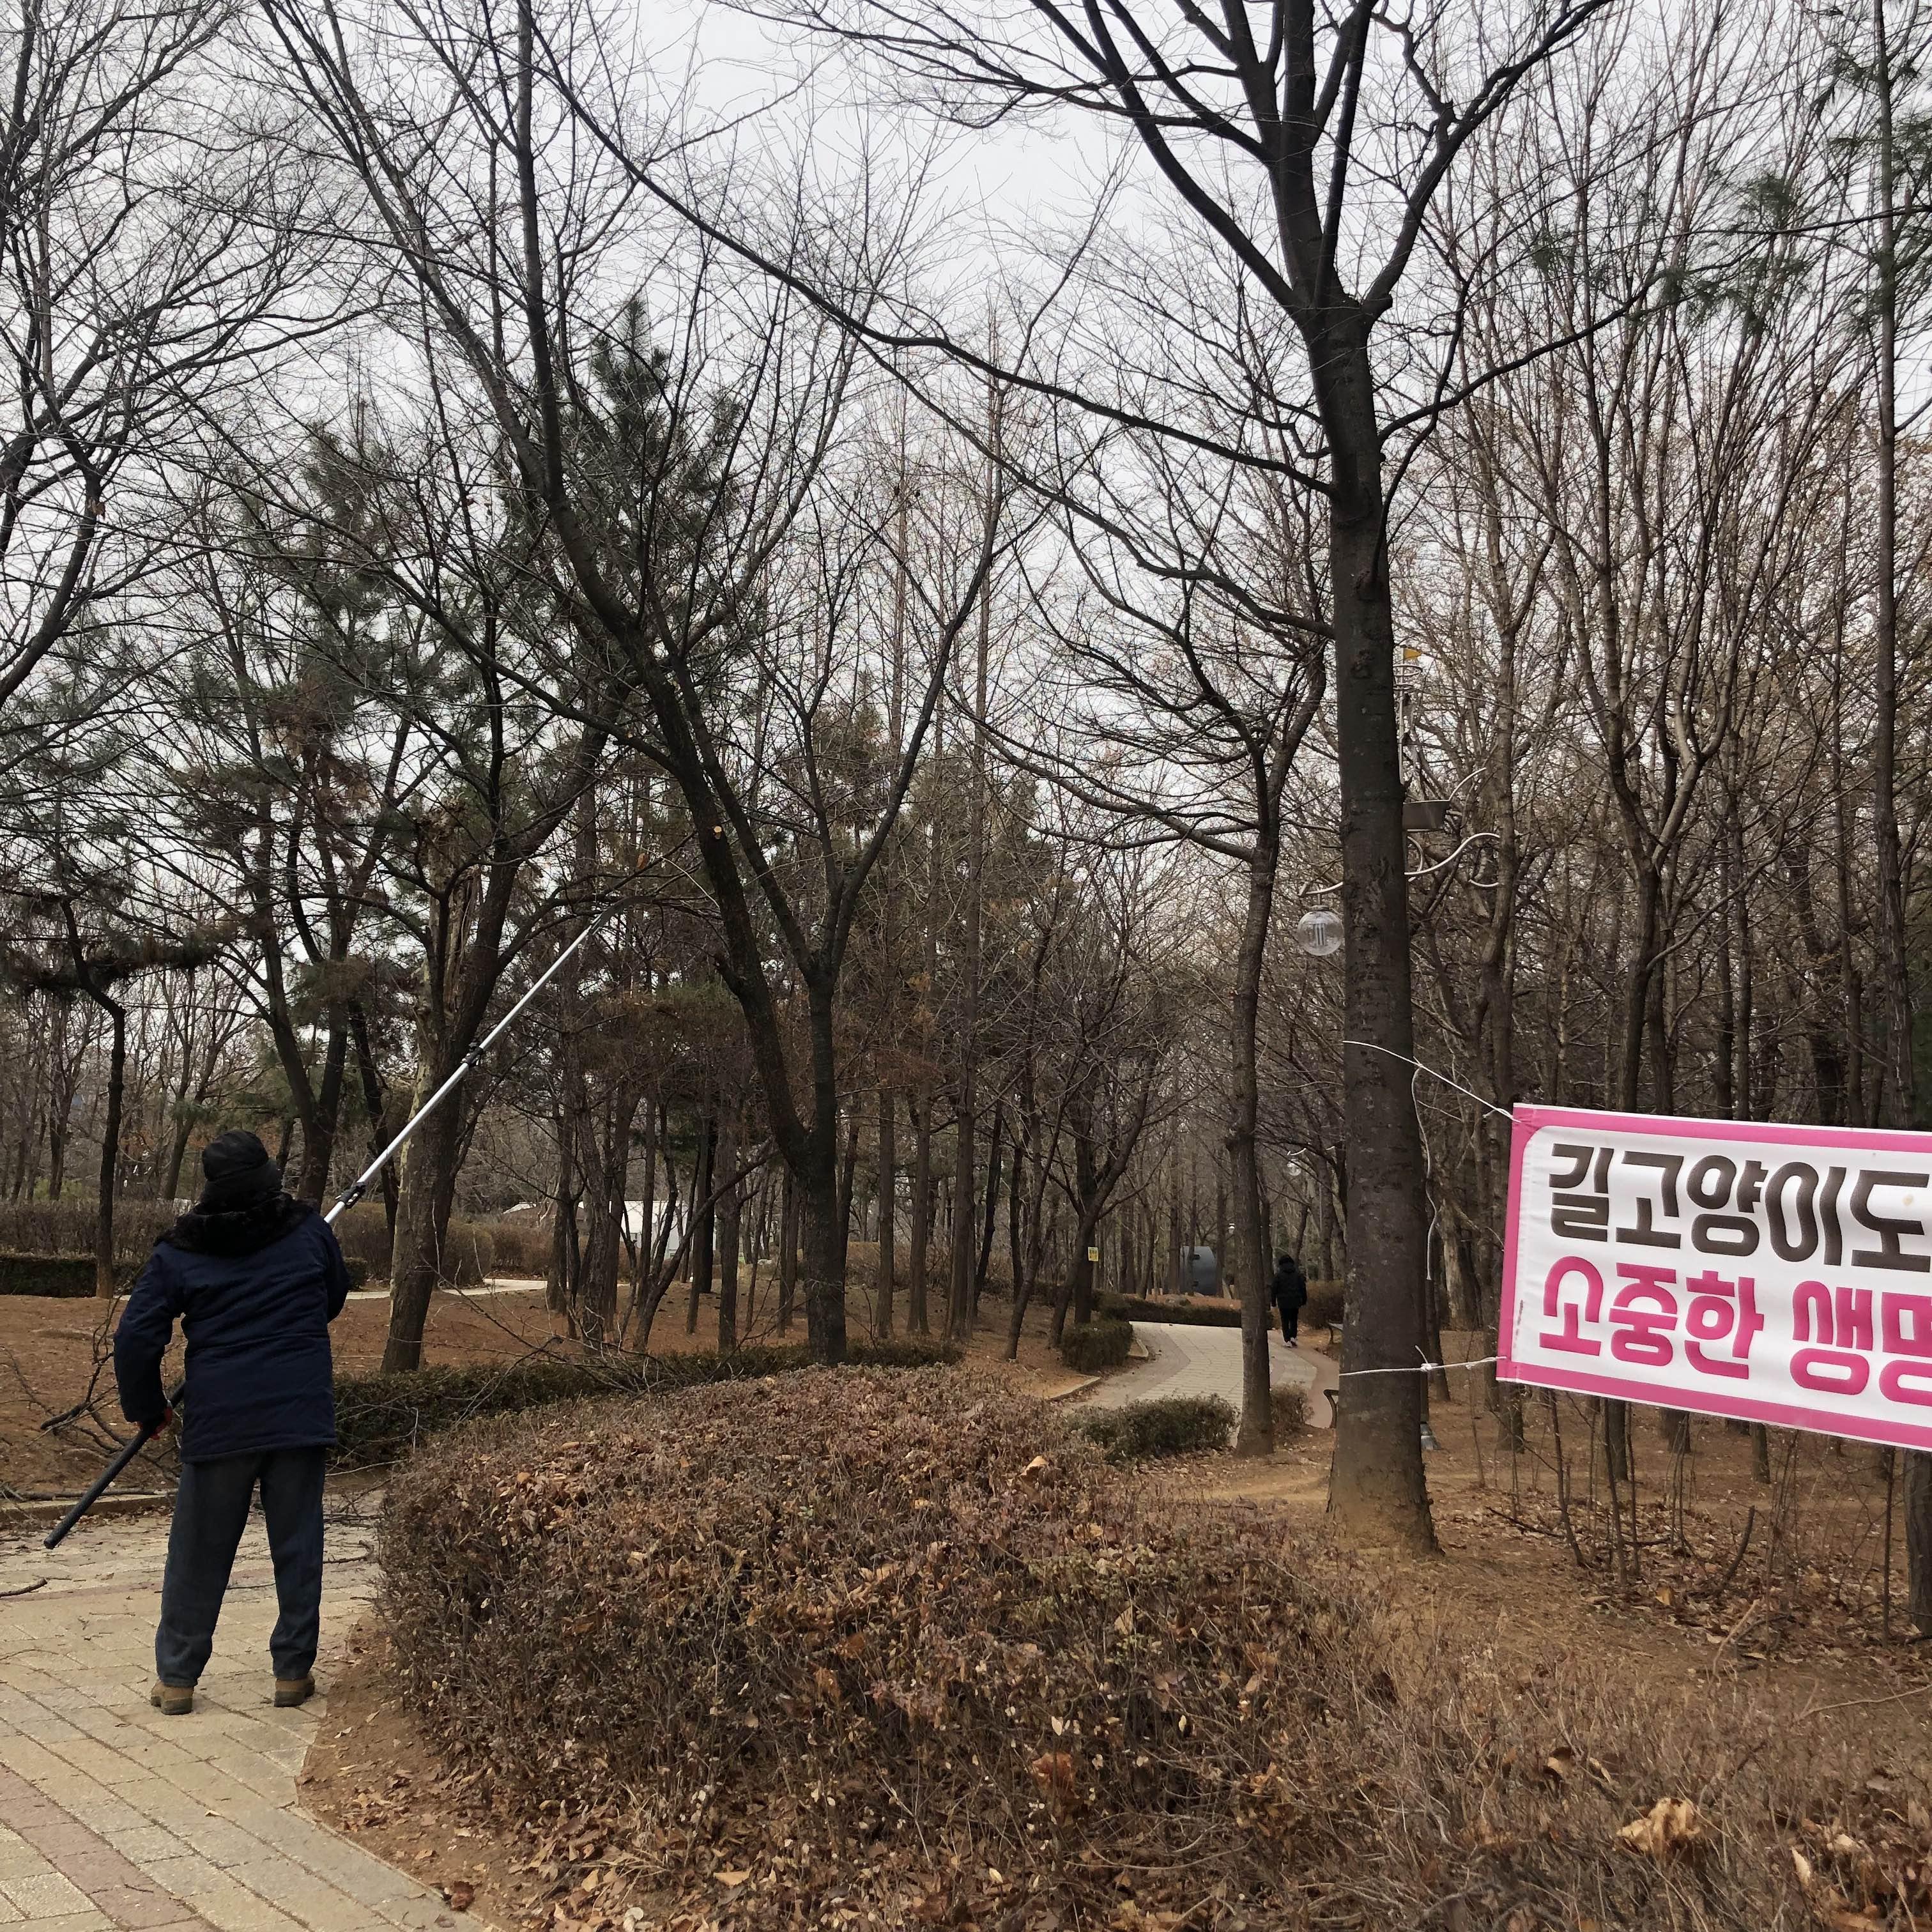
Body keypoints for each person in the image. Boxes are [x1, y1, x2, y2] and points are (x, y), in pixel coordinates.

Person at [114, 1130, 350, 1716]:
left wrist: (148, 1407)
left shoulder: (181, 1250)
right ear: (269, 1174)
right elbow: (333, 1297)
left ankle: (178, 1678)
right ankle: (292, 1672)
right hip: (298, 1412)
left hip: (222, 1419)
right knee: (298, 1546)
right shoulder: (308, 1230)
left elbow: (136, 1335)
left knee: (199, 1552)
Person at [1269, 1252, 1308, 1346]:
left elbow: (1274, 1289)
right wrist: (1304, 1299)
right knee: (1294, 1319)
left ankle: (1287, 1340)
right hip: (1295, 1300)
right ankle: (1293, 1337)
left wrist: (1273, 1302)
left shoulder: (1278, 1275)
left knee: (1285, 1320)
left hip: (1283, 1301)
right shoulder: (1298, 1274)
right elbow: (1303, 1287)